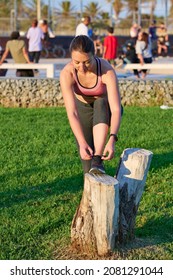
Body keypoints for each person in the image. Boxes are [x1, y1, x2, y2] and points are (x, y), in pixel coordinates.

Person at [60, 35, 122, 174]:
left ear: (95, 55)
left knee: (100, 102)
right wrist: (82, 143)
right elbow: (72, 112)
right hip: (83, 110)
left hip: (106, 109)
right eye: (76, 62)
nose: (81, 67)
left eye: (87, 62)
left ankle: (98, 159)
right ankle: (90, 188)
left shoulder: (106, 70)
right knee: (87, 165)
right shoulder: (67, 73)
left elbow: (116, 109)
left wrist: (112, 138)